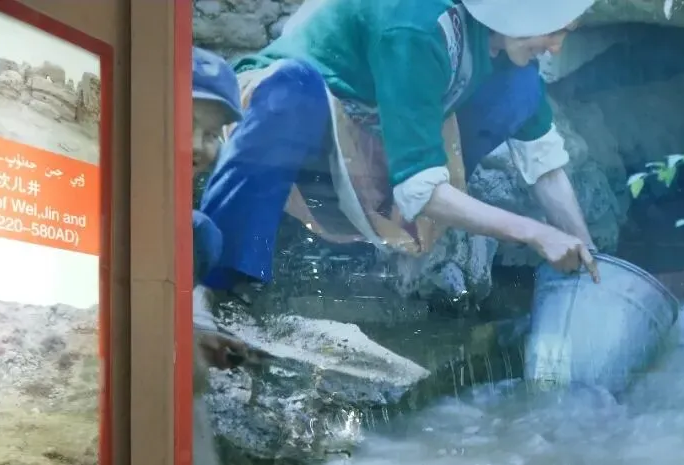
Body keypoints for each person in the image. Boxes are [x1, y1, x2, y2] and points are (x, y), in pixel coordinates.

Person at [197, 0, 601, 298]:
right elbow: (420, 188)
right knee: (292, 90)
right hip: (294, 116)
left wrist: (588, 253)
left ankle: (406, 239)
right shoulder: (415, 23)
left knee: (521, 89)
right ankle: (218, 284)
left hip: (374, 137)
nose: (556, 47)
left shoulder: (503, 50)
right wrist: (534, 233)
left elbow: (543, 162)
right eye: (556, 31)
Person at [191, 47, 248, 370]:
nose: (197, 145)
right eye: (184, 122)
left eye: (211, 134)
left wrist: (199, 332)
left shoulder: (195, 233)